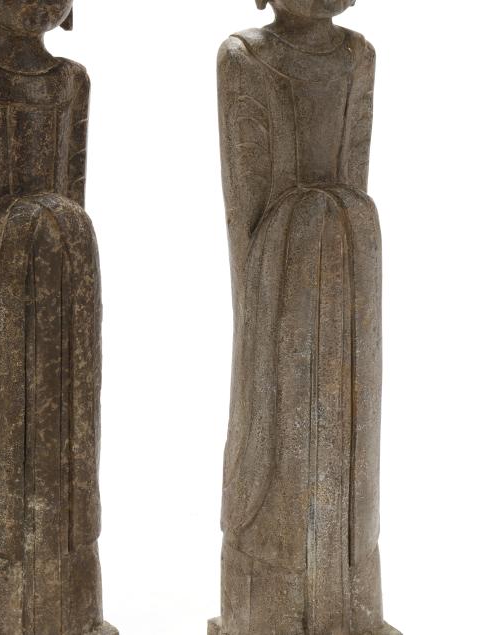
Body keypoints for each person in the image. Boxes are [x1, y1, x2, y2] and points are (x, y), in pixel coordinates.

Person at [0, 2, 115, 633]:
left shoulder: (72, 82)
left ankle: (70, 605)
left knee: (69, 450)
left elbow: (72, 185)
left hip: (64, 287)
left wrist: (57, 233)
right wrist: (30, 231)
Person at [215, 2, 400, 633]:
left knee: (350, 420)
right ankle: (266, 603)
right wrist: (266, 300)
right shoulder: (245, 58)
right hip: (280, 276)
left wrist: (338, 230)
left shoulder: (358, 57)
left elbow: (353, 172)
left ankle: (345, 597)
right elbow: (245, 212)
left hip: (348, 264)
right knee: (275, 420)